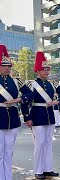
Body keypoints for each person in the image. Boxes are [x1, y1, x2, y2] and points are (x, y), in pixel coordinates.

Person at [24, 51, 59, 179]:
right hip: (37, 116)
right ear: (37, 71)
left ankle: (48, 168)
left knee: (48, 143)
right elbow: (25, 102)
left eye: (47, 69)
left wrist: (57, 101)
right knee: (39, 144)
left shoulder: (51, 84)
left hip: (49, 116)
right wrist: (27, 117)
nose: (46, 72)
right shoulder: (32, 84)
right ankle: (38, 170)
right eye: (43, 70)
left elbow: (59, 96)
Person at [0, 44, 33, 180]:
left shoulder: (16, 81)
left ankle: (7, 177)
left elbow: (29, 94)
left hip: (12, 119)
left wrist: (18, 99)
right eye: (4, 66)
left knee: (9, 152)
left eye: (9, 66)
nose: (7, 68)